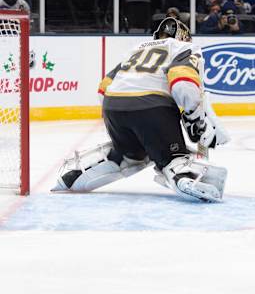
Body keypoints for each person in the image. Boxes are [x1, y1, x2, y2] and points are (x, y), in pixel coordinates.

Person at [52, 18, 230, 202]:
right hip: (152, 107)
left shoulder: (137, 49)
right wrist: (194, 117)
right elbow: (183, 82)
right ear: (184, 37)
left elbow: (103, 89)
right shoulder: (183, 48)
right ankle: (183, 176)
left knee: (131, 155)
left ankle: (71, 178)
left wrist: (126, 116)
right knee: (172, 158)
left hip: (113, 107)